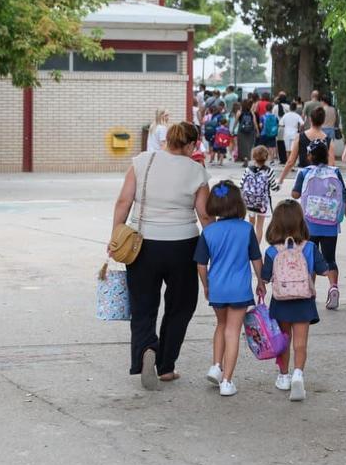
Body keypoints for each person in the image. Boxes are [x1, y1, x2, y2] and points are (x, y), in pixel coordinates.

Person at [109, 122, 211, 390]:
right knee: (181, 305)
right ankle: (166, 365)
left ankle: (145, 350)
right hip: (183, 245)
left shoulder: (142, 161)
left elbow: (123, 201)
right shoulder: (197, 170)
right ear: (190, 145)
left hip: (143, 245)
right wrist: (215, 248)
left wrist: (115, 235)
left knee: (143, 306)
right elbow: (204, 214)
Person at [195, 181, 264, 397]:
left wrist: (206, 284)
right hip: (240, 289)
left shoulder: (209, 232)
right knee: (233, 331)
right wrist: (261, 281)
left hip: (218, 287)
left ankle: (216, 366)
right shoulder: (246, 229)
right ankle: (227, 381)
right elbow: (256, 258)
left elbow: (201, 264)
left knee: (221, 325)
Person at [261, 199, 330, 402]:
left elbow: (265, 277)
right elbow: (324, 269)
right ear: (301, 222)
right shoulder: (309, 247)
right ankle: (298, 373)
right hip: (303, 300)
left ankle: (284, 376)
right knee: (300, 342)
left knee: (283, 340)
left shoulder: (272, 251)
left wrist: (261, 284)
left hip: (281, 301)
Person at [290, 140, 346, 310]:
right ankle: (333, 287)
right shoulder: (335, 171)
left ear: (309, 156)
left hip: (309, 223)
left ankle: (310, 291)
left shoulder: (305, 172)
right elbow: (343, 194)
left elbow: (295, 194)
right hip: (330, 224)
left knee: (309, 257)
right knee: (330, 258)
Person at [279, 106, 330, 183]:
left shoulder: (300, 137)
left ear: (310, 119)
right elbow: (331, 162)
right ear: (323, 120)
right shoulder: (327, 139)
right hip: (321, 176)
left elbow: (291, 161)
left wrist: (281, 179)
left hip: (303, 174)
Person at [242, 145, 280, 242]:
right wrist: (279, 185)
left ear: (253, 157)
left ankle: (249, 246)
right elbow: (274, 188)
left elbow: (241, 185)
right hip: (262, 204)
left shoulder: (248, 170)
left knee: (251, 224)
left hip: (249, 202)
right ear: (266, 157)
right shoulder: (269, 171)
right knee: (259, 227)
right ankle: (256, 249)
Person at [235, 97, 259, 167]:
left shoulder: (239, 112)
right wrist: (257, 131)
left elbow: (236, 121)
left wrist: (233, 129)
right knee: (249, 146)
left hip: (241, 131)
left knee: (242, 146)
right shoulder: (251, 113)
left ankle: (245, 159)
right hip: (250, 131)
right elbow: (254, 122)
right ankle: (247, 158)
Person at [279, 102, 304, 168]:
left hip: (286, 133)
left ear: (290, 108)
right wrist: (299, 129)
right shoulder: (297, 115)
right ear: (295, 108)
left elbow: (281, 124)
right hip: (294, 133)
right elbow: (302, 124)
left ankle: (288, 163)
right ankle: (293, 164)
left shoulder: (285, 115)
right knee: (293, 150)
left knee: (287, 150)